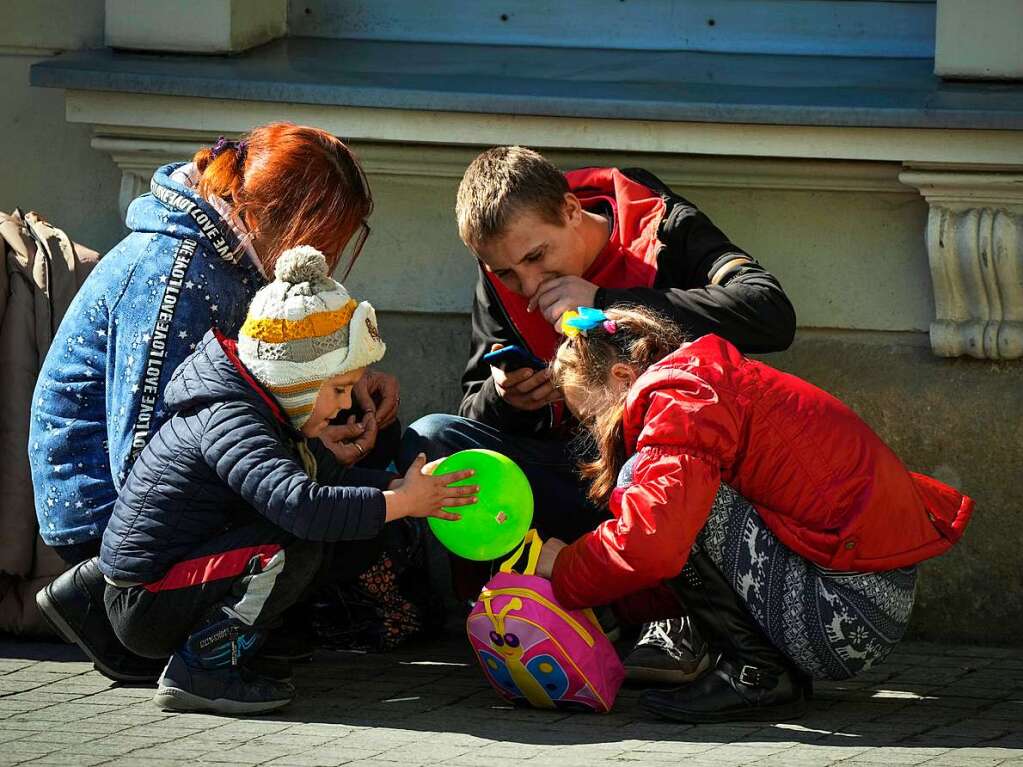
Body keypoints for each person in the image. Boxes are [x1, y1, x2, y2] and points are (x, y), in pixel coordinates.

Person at [401, 146, 796, 680]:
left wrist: (609, 300)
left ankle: (678, 616)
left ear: (569, 209)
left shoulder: (659, 224)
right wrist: (508, 399)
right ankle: (533, 605)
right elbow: (472, 404)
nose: (529, 284)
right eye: (508, 273)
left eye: (538, 258)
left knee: (676, 458)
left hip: (663, 479)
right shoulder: (503, 270)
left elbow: (771, 312)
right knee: (435, 441)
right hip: (574, 475)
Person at [30, 124, 399, 682]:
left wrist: (341, 389)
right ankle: (187, 645)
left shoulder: (234, 250)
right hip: (113, 529)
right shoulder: (174, 274)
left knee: (359, 467)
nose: (325, 258)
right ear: (273, 216)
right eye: (323, 239)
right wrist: (307, 448)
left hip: (189, 475)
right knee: (303, 516)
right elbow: (143, 461)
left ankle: (251, 616)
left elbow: (256, 385)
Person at [534, 305, 974, 723]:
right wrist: (607, 605)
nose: (595, 431)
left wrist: (566, 567)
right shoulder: (702, 382)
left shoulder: (684, 397)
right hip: (865, 604)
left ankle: (758, 675)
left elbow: (655, 543)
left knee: (646, 487)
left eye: (592, 416)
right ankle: (758, 669)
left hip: (849, 616)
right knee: (665, 494)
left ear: (623, 376)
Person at [98, 247, 477, 714]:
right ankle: (203, 669)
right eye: (337, 389)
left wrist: (399, 488)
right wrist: (398, 503)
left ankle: (244, 647)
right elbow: (301, 505)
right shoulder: (232, 418)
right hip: (148, 603)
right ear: (297, 379)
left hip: (169, 587)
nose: (343, 405)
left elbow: (327, 482)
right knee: (294, 542)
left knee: (337, 530)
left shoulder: (262, 407)